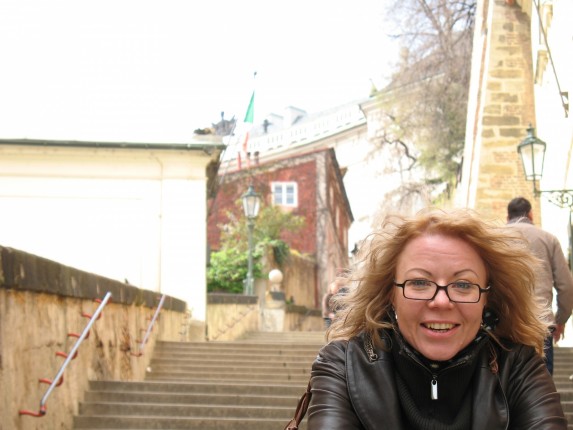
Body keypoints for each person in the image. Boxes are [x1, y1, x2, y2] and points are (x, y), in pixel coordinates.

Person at [308, 208, 567, 429]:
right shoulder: (344, 365)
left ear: (487, 297)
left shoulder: (518, 366)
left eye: (463, 285)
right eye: (419, 282)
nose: (441, 301)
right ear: (390, 293)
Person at [507, 196, 573, 374]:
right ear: (530, 214)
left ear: (508, 216)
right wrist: (561, 320)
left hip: (505, 323)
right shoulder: (549, 239)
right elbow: (566, 286)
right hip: (540, 323)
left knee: (505, 380)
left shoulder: (495, 238)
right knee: (541, 381)